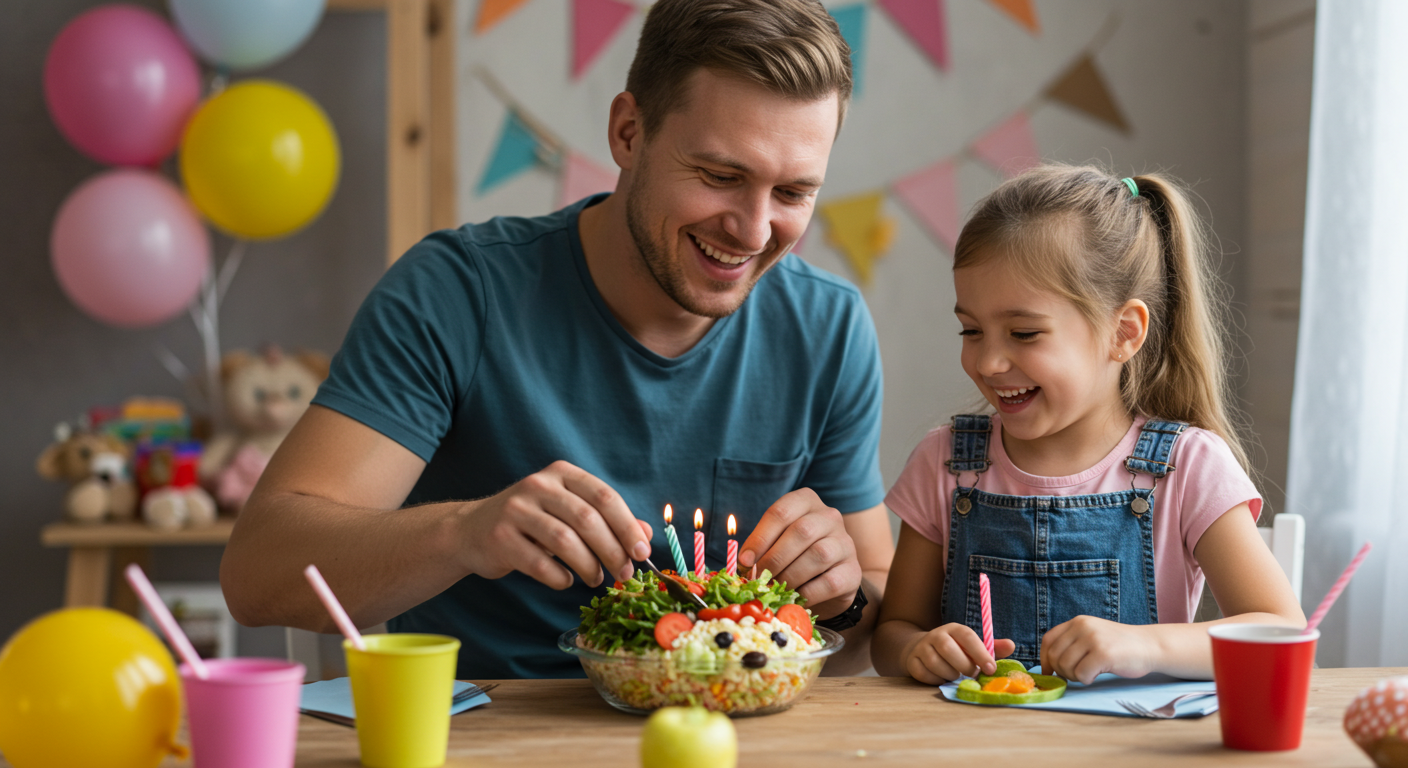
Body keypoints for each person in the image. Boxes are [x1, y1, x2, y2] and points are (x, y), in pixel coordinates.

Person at [220, 0, 893, 678]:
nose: (752, 231)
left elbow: (867, 623)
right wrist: (463, 534)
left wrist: (843, 600)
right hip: (488, 735)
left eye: (793, 194)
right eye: (721, 177)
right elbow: (257, 575)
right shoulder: (458, 295)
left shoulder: (827, 329)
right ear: (629, 133)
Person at [871, 165, 1305, 685]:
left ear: (1123, 333)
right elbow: (892, 633)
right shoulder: (944, 463)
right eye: (971, 330)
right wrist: (917, 648)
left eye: (1024, 333)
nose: (987, 362)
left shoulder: (1187, 466)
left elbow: (1280, 633)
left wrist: (1144, 644)